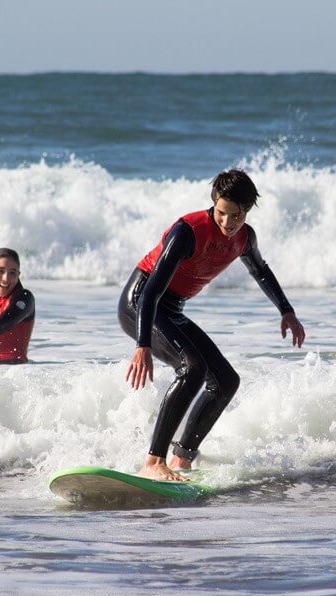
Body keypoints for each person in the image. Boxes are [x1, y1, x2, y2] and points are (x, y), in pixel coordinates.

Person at [119, 169, 306, 481]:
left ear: (248, 210)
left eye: (237, 215)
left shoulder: (245, 238)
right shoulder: (188, 231)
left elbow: (260, 271)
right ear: (213, 205)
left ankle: (182, 459)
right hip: (140, 303)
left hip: (172, 309)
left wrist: (286, 311)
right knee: (192, 368)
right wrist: (143, 345)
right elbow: (150, 291)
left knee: (225, 381)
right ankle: (153, 461)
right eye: (222, 213)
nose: (229, 222)